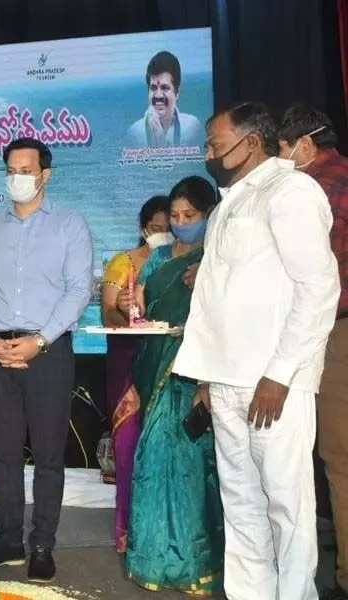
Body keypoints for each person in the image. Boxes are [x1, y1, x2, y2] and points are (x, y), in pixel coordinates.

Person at [175, 102, 339, 600]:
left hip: (272, 385)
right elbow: (214, 302)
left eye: (214, 143)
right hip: (226, 381)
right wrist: (206, 377)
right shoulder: (228, 204)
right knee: (241, 505)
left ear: (250, 142)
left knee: (287, 507)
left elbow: (319, 288)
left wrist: (281, 374)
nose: (208, 152)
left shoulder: (291, 191)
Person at [0, 138, 93, 582]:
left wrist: (40, 340)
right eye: (11, 170)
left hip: (49, 353)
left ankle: (42, 544)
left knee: (49, 453)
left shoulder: (70, 225)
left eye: (25, 169)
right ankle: (8, 540)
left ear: (45, 175)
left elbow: (78, 291)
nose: (17, 178)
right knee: (2, 453)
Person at [116, 176, 224, 593]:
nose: (180, 224)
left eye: (189, 216)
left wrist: (210, 281)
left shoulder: (217, 258)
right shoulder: (159, 257)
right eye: (175, 216)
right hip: (155, 363)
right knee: (153, 461)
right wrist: (130, 305)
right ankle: (155, 558)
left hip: (193, 369)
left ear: (207, 215)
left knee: (191, 467)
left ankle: (195, 561)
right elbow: (141, 308)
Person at [278, 104, 348, 600]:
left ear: (305, 144)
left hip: (333, 328)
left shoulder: (316, 187)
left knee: (337, 458)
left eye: (282, 151)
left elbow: (314, 273)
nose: (279, 161)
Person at [99, 194, 171, 552]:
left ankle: (165, 530)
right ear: (144, 228)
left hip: (168, 361)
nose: (162, 234)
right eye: (156, 228)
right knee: (128, 445)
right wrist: (127, 313)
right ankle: (128, 531)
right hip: (128, 360)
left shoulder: (183, 262)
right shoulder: (122, 264)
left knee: (165, 447)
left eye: (168, 228)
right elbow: (106, 316)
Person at [125, 51, 203, 148]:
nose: (158, 96)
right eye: (153, 88)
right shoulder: (135, 133)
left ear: (177, 92)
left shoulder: (192, 127)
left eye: (165, 88)